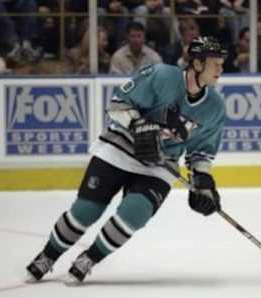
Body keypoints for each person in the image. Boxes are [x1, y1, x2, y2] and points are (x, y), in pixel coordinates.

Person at [25, 36, 227, 285]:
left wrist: (204, 181)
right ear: (197, 64)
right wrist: (140, 126)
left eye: (221, 63)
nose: (221, 68)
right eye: (215, 63)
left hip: (159, 165)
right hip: (120, 148)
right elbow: (118, 104)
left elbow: (201, 152)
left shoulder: (215, 107)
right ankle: (48, 255)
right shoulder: (162, 76)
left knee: (136, 212)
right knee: (86, 211)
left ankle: (89, 258)